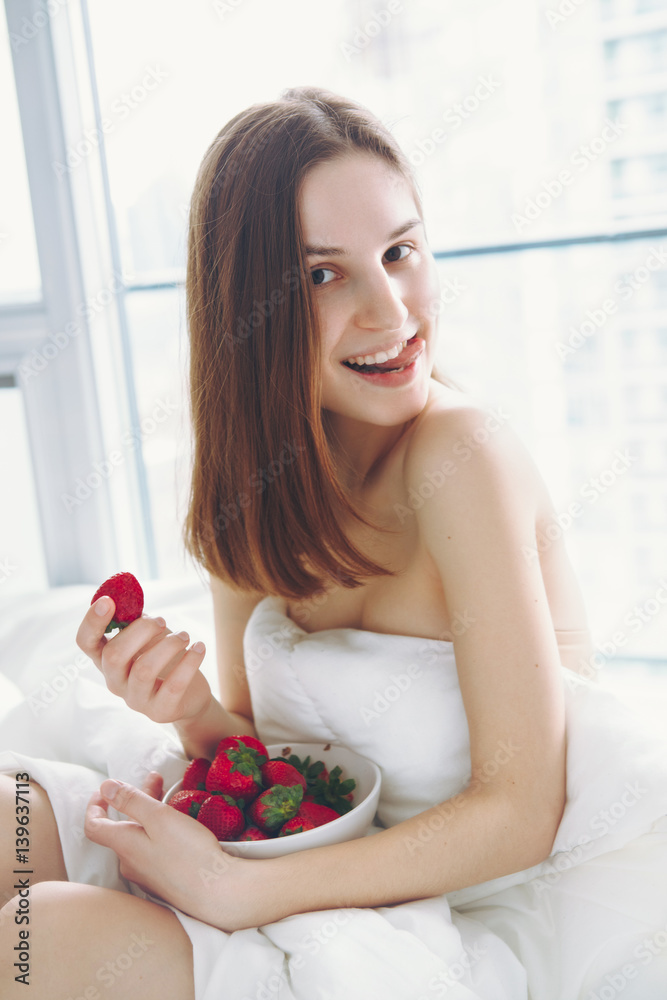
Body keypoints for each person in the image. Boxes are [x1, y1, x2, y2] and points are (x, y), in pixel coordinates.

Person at [1, 85, 667, 1000]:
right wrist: (190, 708)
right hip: (281, 860)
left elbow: (520, 816)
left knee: (35, 942)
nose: (390, 311)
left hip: (444, 912)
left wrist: (236, 888)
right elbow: (276, 763)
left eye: (399, 252)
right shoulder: (253, 483)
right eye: (324, 275)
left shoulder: (460, 456)